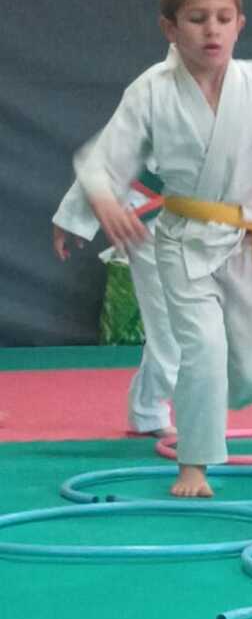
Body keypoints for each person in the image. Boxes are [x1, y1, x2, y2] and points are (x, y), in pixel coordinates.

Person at [75, 0, 252, 497]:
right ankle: (194, 464)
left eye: (223, 18)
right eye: (197, 19)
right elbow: (105, 158)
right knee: (202, 351)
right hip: (183, 242)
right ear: (170, 28)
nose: (211, 30)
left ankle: (218, 409)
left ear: (240, 24)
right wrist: (95, 204)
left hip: (246, 243)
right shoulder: (151, 89)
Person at [53, 171, 180, 437]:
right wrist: (74, 217)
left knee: (199, 325)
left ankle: (149, 408)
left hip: (216, 222)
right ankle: (169, 410)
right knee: (172, 324)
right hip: (152, 218)